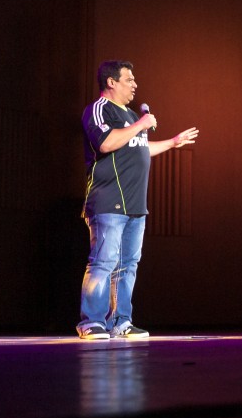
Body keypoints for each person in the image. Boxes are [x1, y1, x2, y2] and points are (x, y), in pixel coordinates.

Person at [77, 60, 198, 340]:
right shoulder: (99, 110)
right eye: (129, 80)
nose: (135, 85)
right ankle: (91, 322)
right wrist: (143, 123)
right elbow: (106, 143)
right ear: (111, 82)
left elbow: (139, 146)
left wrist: (171, 142)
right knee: (103, 262)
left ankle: (121, 321)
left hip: (135, 204)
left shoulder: (132, 116)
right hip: (108, 200)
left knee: (128, 264)